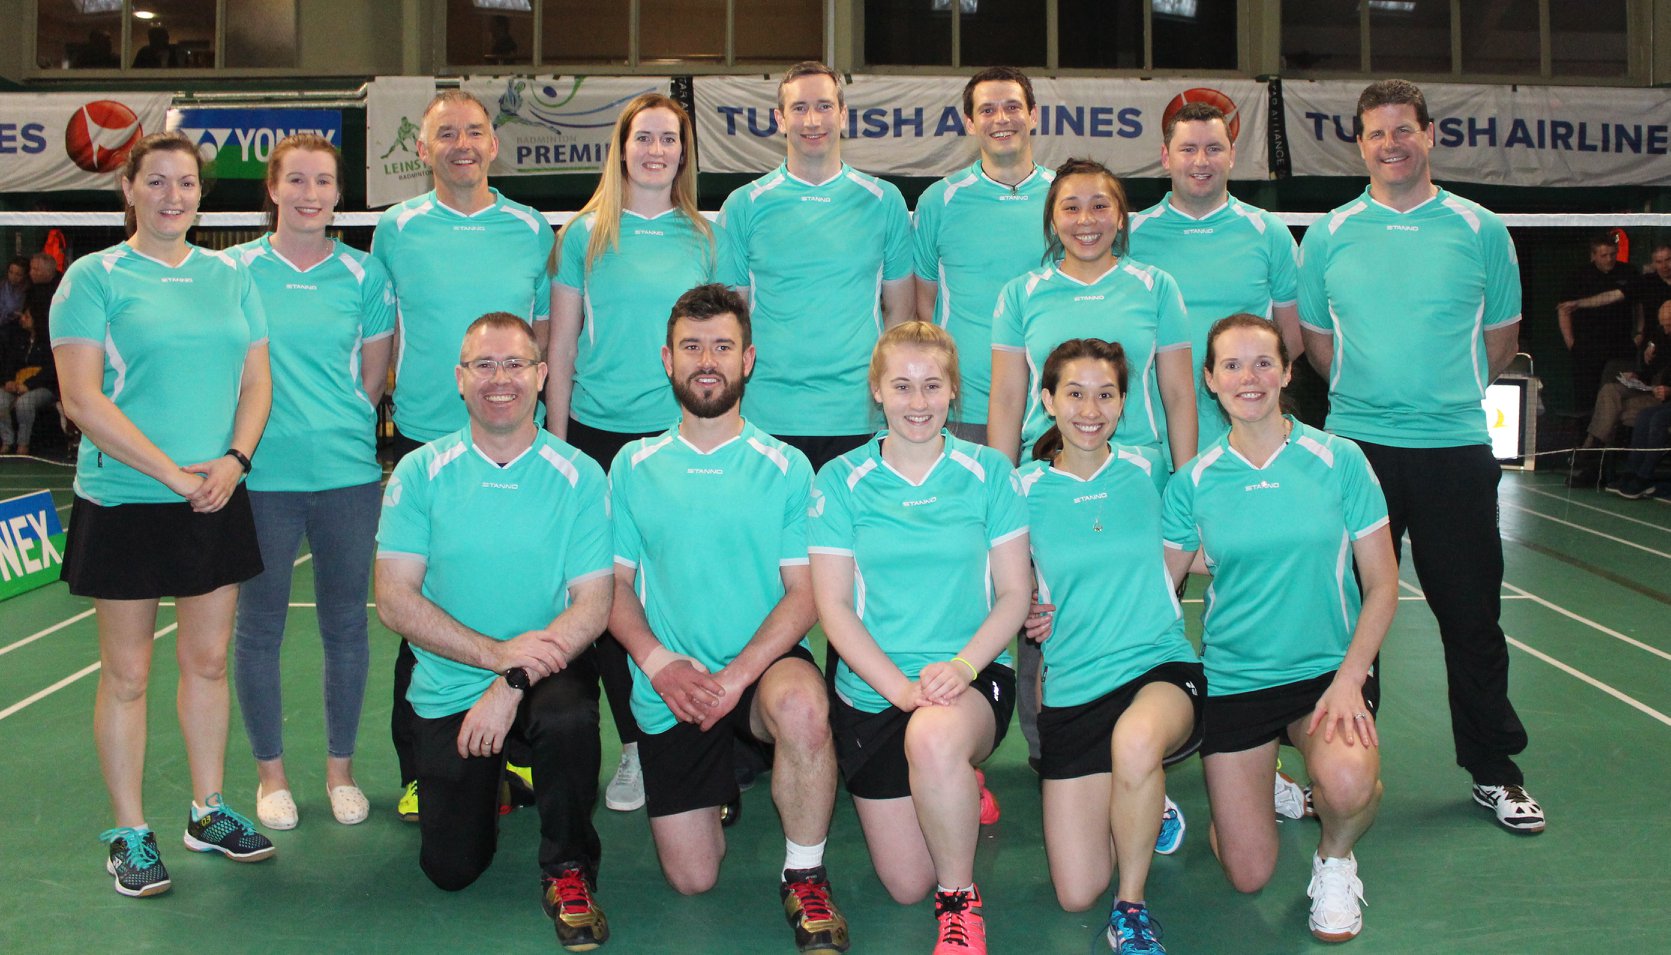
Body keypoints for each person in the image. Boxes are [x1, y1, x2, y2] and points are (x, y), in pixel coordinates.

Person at [1297, 79, 1542, 833]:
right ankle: (1335, 771)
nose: (1391, 144)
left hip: (1453, 450)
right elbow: (1317, 347)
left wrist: (1439, 402)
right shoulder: (1328, 234)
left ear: (1429, 135)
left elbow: (1500, 340)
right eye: (1376, 133)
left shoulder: (1480, 230)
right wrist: (1372, 406)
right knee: (1345, 621)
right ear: (1359, 143)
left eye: (1403, 130)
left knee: (1471, 618)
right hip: (1356, 452)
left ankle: (1494, 770)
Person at [51, 131, 276, 898]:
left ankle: (207, 810)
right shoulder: (92, 278)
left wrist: (234, 461)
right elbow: (82, 398)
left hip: (215, 494)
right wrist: (171, 473)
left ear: (200, 195)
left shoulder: (231, 275)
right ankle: (129, 830)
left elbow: (257, 381)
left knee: (208, 661)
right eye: (157, 181)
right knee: (127, 673)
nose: (173, 196)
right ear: (129, 189)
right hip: (127, 500)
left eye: (186, 183)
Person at [609, 284, 849, 954]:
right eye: (692, 347)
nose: (706, 360)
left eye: (722, 346)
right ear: (668, 359)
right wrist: (659, 664)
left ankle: (804, 874)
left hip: (758, 671)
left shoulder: (787, 467)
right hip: (673, 683)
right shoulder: (632, 465)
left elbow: (804, 593)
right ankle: (718, 784)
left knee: (803, 708)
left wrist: (739, 676)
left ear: (748, 359)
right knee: (693, 880)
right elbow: (613, 587)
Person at [375, 313, 613, 952]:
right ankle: (503, 774)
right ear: (460, 378)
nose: (499, 379)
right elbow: (394, 599)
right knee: (451, 870)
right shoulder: (420, 473)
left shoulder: (579, 475)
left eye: (514, 364)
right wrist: (494, 657)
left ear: (541, 375)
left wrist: (511, 678)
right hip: (453, 682)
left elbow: (593, 607)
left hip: (546, 671)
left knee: (566, 718)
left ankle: (568, 868)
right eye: (484, 365)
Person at [1163, 314, 1398, 944]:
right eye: (1232, 365)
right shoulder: (1194, 481)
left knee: (1347, 783)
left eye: (1264, 362)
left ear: (1287, 372)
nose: (1250, 377)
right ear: (1210, 379)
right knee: (1247, 874)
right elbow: (1157, 588)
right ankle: (1264, 783)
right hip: (1236, 680)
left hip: (1327, 674)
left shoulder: (1340, 460)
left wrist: (1351, 680)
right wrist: (1059, 606)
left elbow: (1382, 585)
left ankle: (1336, 859)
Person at [809, 322, 1031, 955]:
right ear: (877, 390)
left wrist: (961, 667)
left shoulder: (989, 472)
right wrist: (900, 691)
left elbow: (1014, 595)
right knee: (906, 883)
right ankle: (956, 785)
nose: (918, 401)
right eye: (902, 386)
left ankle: (958, 903)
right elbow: (833, 608)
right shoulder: (840, 480)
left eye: (932, 385)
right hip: (875, 689)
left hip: (969, 678)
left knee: (933, 738)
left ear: (953, 390)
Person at [372, 89, 556, 819]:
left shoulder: (531, 228)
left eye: (474, 131)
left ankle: (520, 750)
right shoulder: (396, 229)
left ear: (493, 143)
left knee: (523, 593)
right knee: (423, 602)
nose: (461, 145)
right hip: (429, 439)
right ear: (422, 149)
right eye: (445, 134)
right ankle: (419, 767)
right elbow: (383, 331)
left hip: (518, 442)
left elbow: (544, 335)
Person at [547, 93, 716, 813]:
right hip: (598, 437)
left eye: (668, 139)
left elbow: (720, 348)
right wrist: (558, 447)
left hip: (680, 438)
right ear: (621, 147)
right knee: (609, 598)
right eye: (643, 137)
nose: (655, 150)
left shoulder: (706, 238)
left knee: (682, 590)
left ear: (683, 153)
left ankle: (704, 736)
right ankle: (637, 746)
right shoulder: (583, 237)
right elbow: (560, 345)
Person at [228, 134, 395, 831]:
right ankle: (271, 777)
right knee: (259, 627)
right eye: (295, 180)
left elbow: (374, 378)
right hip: (261, 477)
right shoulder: (234, 270)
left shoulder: (364, 274)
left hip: (347, 478)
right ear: (272, 188)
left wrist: (335, 424)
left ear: (338, 193)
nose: (309, 194)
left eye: (323, 181)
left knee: (346, 626)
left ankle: (340, 772)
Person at [1017, 338, 1203, 955]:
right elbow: (998, 582)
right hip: (1075, 685)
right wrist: (1025, 606)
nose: (1090, 409)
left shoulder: (1150, 468)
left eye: (1105, 394)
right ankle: (1145, 797)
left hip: (1158, 665)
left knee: (1136, 741)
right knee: (1076, 891)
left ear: (1124, 403)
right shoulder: (1021, 489)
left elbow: (1197, 539)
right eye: (1074, 394)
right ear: (1048, 401)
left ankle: (1131, 908)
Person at [716, 61, 914, 472]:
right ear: (780, 119)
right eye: (799, 108)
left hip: (859, 413)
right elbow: (731, 322)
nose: (812, 121)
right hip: (767, 413)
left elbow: (900, 314)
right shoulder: (743, 205)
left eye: (824, 106)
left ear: (843, 115)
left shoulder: (884, 201)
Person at [989, 157, 1196, 472]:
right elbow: (1006, 399)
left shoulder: (1157, 287)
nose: (1086, 219)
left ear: (1121, 217)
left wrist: (1186, 481)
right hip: (1047, 470)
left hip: (1138, 470)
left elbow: (1179, 395)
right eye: (1071, 208)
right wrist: (1001, 484)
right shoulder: (1020, 294)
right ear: (1053, 222)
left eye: (1100, 206)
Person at [1128, 101, 1303, 454]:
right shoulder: (1130, 236)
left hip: (1244, 439)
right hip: (1151, 441)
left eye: (1213, 149)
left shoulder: (1268, 232)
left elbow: (1292, 339)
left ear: (1232, 155)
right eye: (1188, 149)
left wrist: (1244, 384)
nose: (1201, 161)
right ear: (1165, 157)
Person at [913, 66, 1054, 446]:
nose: (1001, 119)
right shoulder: (939, 202)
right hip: (964, 408)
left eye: (1012, 107)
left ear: (1033, 115)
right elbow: (924, 305)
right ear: (970, 123)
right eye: (987, 110)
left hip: (1053, 408)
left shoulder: (1068, 197)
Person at [1556, 234, 1637, 419]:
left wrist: (1639, 333)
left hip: (1620, 346)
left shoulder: (1628, 272)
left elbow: (1636, 303)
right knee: (1587, 398)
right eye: (1604, 255)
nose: (1609, 259)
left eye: (1612, 254)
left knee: (1617, 395)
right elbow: (1563, 310)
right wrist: (1571, 343)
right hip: (1588, 346)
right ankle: (1586, 436)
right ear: (1593, 255)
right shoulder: (1579, 277)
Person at [1605, 300, 1671, 499]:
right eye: (1663, 326)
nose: (1666, 330)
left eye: (1669, 326)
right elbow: (1654, 367)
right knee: (1645, 416)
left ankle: (1645, 476)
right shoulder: (1663, 338)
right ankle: (1631, 471)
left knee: (1658, 419)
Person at [0, 303, 59, 455]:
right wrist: (8, 381)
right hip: (17, 384)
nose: (22, 319)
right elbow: (10, 363)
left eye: (27, 317)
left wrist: (28, 385)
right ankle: (7, 441)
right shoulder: (19, 338)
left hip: (42, 387)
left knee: (24, 403)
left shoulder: (49, 342)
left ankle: (23, 444)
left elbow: (50, 371)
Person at [0, 257, 27, 330]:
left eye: (18, 274)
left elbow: (14, 310)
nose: (13, 277)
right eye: (11, 272)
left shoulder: (26, 292)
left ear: (25, 275)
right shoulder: (3, 286)